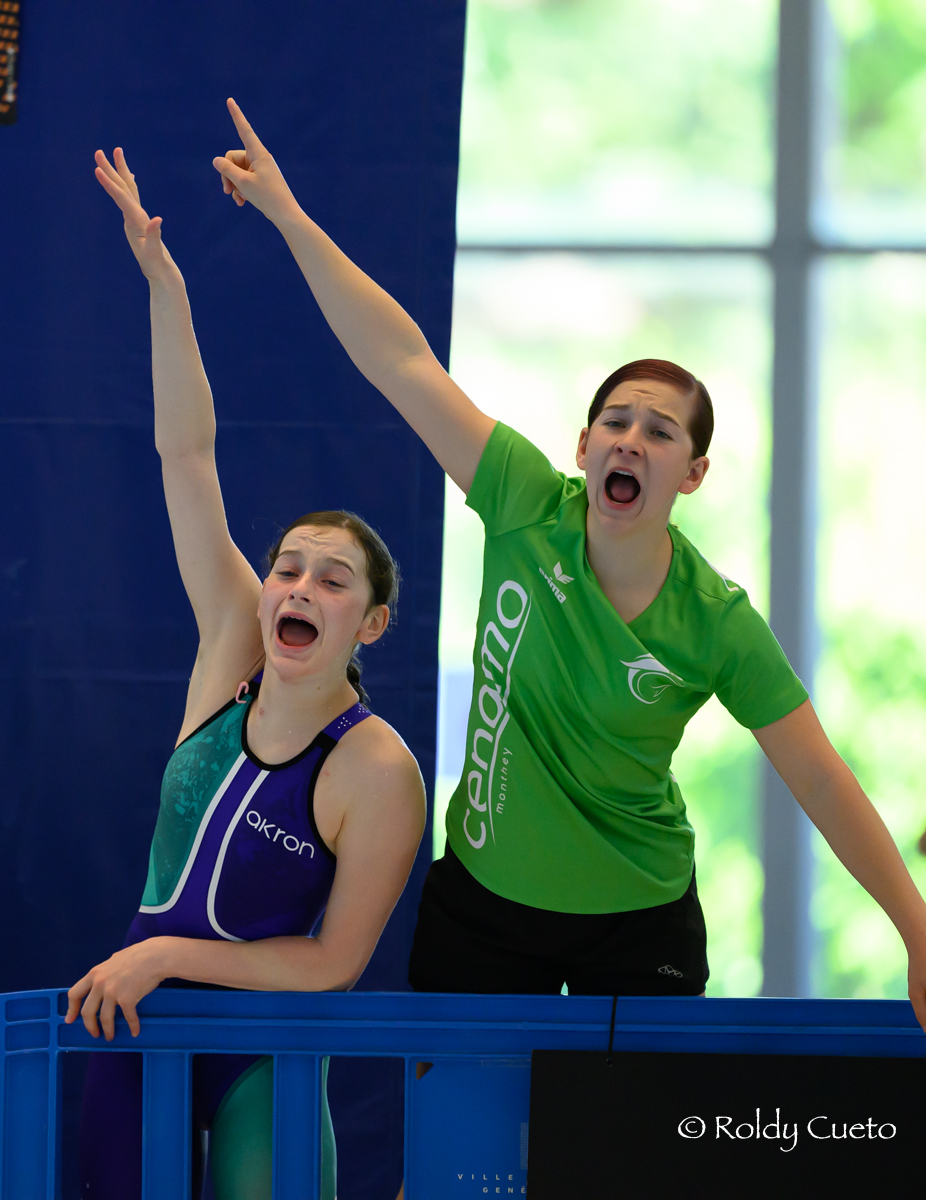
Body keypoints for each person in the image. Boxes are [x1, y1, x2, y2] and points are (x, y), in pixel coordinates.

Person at [205, 98, 926, 1029]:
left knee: (626, 1127)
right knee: (463, 1129)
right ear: (584, 447)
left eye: (659, 432)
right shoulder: (524, 501)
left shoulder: (716, 621)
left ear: (693, 473)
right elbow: (402, 361)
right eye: (615, 422)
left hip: (639, 925)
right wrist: (289, 216)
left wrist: (916, 931)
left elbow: (820, 778)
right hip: (483, 911)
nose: (631, 439)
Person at [69, 148, 427, 1200]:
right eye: (287, 569)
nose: (298, 589)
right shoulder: (232, 642)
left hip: (258, 1049)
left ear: (371, 623)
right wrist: (163, 283)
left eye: (332, 580)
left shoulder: (378, 769)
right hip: (134, 1019)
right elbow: (187, 455)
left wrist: (167, 957)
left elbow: (333, 964)